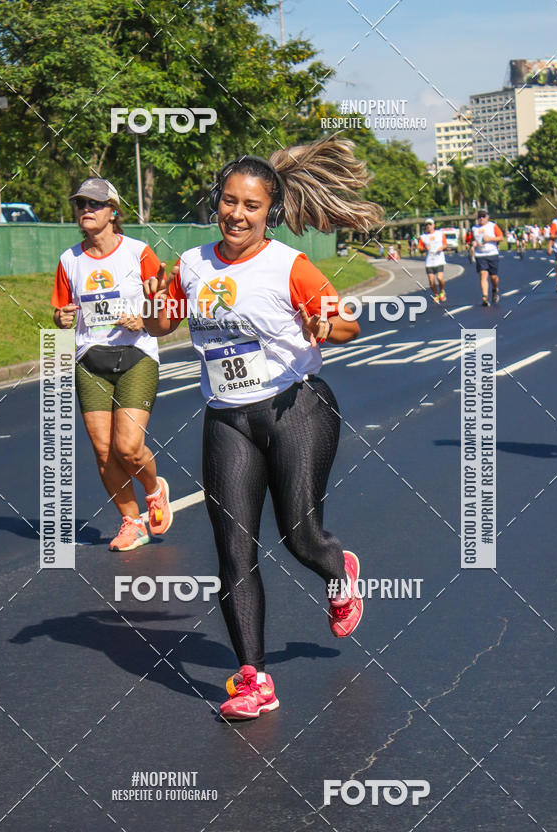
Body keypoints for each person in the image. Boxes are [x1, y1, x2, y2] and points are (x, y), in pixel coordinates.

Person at [144, 137, 382, 720]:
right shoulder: (193, 265)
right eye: (229, 201)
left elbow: (346, 324)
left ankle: (338, 568)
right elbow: (163, 319)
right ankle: (253, 678)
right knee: (233, 552)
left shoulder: (289, 266)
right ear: (217, 203)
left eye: (250, 205)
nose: (236, 214)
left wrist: (325, 324)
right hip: (227, 417)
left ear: (268, 212)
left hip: (295, 406)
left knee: (299, 536)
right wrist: (154, 308)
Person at [51, 177, 173, 551]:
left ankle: (154, 490)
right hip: (91, 359)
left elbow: (163, 301)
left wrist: (143, 316)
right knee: (103, 451)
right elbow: (59, 311)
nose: (86, 210)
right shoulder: (69, 260)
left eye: (95, 204)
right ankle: (131, 521)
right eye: (81, 204)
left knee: (128, 447)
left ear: (113, 212)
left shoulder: (138, 253)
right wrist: (63, 319)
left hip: (135, 354)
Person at [469, 209, 504, 306]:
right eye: (479, 216)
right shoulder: (474, 228)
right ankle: (484, 297)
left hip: (492, 253)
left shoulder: (492, 226)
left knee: (493, 277)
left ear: (487, 217)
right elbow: (471, 240)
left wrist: (490, 238)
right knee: (483, 275)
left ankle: (494, 289)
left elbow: (501, 237)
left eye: (483, 216)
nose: (481, 218)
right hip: (480, 255)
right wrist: (473, 243)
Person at [418, 218, 447, 302]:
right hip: (429, 261)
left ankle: (442, 291)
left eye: (430, 224)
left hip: (439, 259)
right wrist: (424, 248)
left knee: (440, 278)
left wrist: (441, 248)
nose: (428, 226)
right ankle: (436, 295)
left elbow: (445, 244)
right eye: (427, 225)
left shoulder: (440, 234)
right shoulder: (423, 237)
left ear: (433, 225)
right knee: (431, 281)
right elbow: (420, 248)